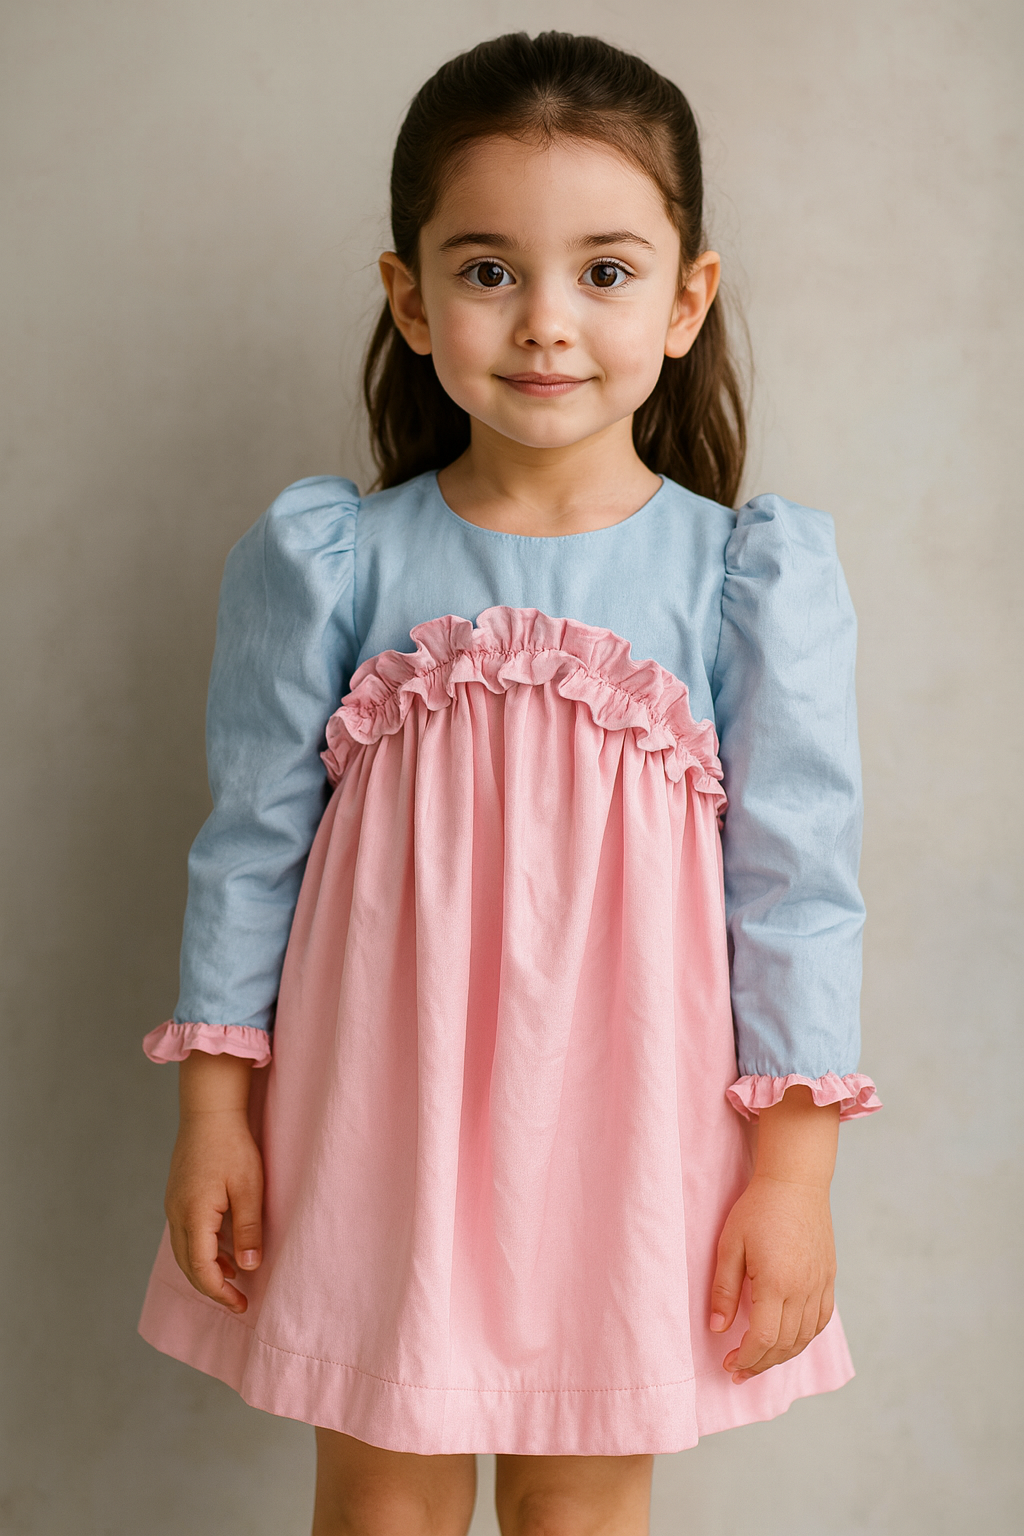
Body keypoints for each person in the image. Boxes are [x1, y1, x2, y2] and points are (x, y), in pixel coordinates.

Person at [139, 30, 881, 1536]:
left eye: (605, 272)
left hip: (628, 1129)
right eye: (488, 271)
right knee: (383, 1508)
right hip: (375, 1113)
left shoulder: (745, 579)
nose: (547, 322)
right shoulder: (333, 560)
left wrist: (792, 1180)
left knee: (576, 1510)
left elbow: (798, 888)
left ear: (686, 300)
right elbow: (250, 846)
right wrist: (217, 1113)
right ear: (411, 298)